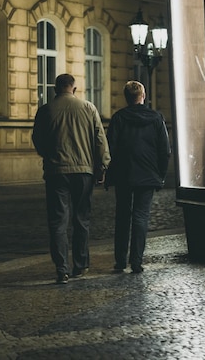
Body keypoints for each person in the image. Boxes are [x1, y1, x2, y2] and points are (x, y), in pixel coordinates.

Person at [32, 73, 111, 285]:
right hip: (83, 171)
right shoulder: (88, 108)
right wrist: (102, 166)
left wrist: (49, 155)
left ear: (55, 89)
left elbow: (37, 141)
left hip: (56, 171)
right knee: (81, 218)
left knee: (58, 221)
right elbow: (99, 140)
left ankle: (61, 268)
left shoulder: (46, 110)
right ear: (74, 89)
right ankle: (81, 264)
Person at [105, 80, 171, 274]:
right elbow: (165, 150)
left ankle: (119, 261)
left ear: (126, 97)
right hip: (148, 174)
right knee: (141, 216)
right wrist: (160, 174)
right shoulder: (156, 118)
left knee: (123, 216)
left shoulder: (118, 118)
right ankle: (136, 261)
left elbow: (110, 148)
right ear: (144, 95)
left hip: (124, 174)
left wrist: (109, 174)